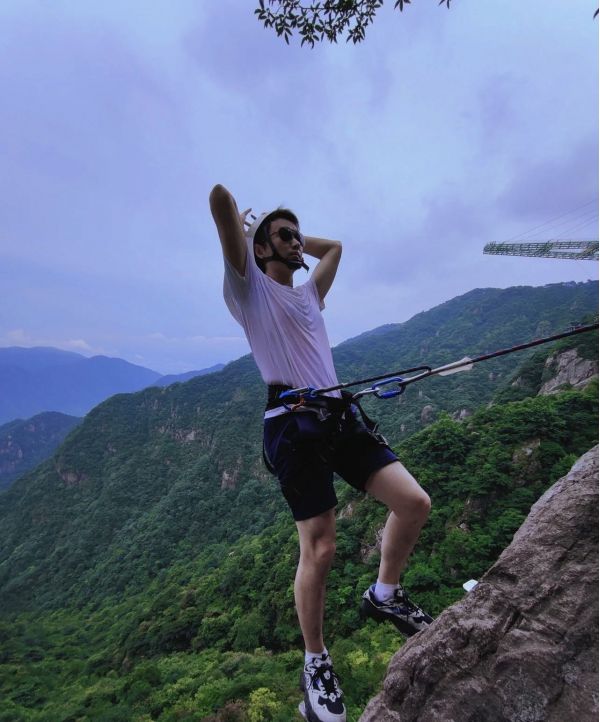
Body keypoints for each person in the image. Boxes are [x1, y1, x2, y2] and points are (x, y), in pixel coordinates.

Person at [210, 183, 432, 722]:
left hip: (337, 413)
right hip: (291, 421)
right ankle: (315, 662)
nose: (296, 241)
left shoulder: (309, 293)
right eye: (284, 235)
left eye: (297, 233)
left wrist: (289, 234)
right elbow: (219, 199)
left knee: (413, 503)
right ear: (259, 248)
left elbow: (334, 249)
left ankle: (385, 593)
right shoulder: (248, 291)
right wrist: (246, 228)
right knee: (321, 546)